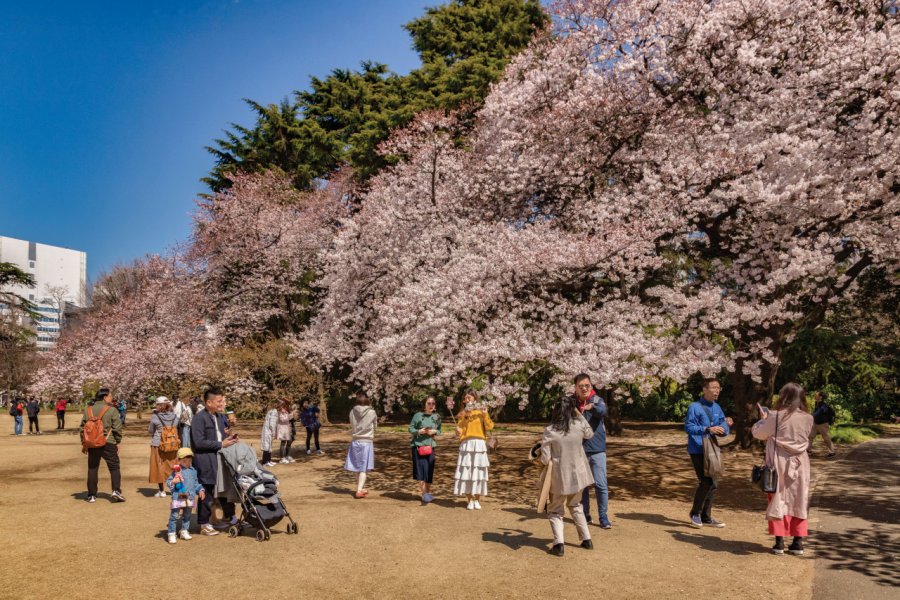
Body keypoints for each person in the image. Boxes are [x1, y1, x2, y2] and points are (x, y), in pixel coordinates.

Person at [752, 383, 815, 556]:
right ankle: (798, 542)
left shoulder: (776, 416)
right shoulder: (808, 418)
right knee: (799, 499)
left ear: (784, 397)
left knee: (777, 498)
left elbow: (759, 434)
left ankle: (779, 542)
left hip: (779, 462)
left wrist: (763, 419)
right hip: (801, 462)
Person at [540, 395, 595, 556]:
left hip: (559, 476)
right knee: (576, 506)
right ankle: (586, 539)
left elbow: (545, 458)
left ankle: (559, 544)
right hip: (578, 474)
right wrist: (579, 414)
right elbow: (590, 434)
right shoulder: (578, 426)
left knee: (556, 510)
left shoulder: (550, 431)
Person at [684, 378, 734, 528]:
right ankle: (695, 513)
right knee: (706, 482)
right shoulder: (694, 407)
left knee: (714, 483)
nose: (717, 390)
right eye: (713, 387)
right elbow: (689, 427)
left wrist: (726, 425)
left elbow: (723, 429)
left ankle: (706, 516)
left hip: (712, 448)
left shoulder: (717, 407)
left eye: (719, 388)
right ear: (704, 389)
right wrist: (706, 429)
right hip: (698, 449)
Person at [191, 387, 239, 536]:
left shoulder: (219, 416)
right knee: (207, 491)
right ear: (209, 402)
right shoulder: (199, 418)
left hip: (221, 459)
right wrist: (220, 444)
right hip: (206, 460)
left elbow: (222, 435)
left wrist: (230, 437)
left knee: (225, 489)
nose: (221, 403)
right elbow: (198, 442)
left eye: (222, 400)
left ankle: (229, 517)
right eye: (219, 401)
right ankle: (204, 524)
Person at [573, 373, 611, 529]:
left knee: (601, 484)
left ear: (591, 386)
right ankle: (586, 514)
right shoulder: (571, 402)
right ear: (575, 387)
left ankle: (603, 516)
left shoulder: (597, 400)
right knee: (583, 486)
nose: (584, 389)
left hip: (597, 449)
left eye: (587, 386)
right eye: (581, 386)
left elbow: (603, 411)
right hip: (579, 449)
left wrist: (591, 407)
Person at [80, 388, 125, 503]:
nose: (112, 398)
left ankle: (91, 495)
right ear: (104, 397)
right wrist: (118, 441)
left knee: (92, 468)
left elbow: (82, 428)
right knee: (114, 467)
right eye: (110, 396)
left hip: (92, 443)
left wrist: (84, 443)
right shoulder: (112, 410)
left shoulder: (88, 410)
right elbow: (117, 428)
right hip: (108, 442)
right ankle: (116, 491)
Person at [453, 389, 494, 510]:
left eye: (469, 398)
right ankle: (470, 499)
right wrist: (458, 431)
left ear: (475, 399)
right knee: (467, 472)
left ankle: (477, 499)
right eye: (465, 398)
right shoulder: (462, 413)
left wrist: (485, 413)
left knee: (479, 472)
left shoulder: (481, 411)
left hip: (480, 444)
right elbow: (460, 430)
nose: (467, 400)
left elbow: (490, 426)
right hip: (466, 444)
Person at [165, 447, 205, 544]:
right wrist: (173, 481)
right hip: (178, 497)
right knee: (174, 515)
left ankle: (184, 531)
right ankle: (171, 533)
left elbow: (196, 483)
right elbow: (168, 482)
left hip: (189, 497)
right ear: (178, 460)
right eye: (184, 461)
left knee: (187, 515)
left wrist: (200, 490)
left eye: (189, 460)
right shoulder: (176, 471)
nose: (187, 463)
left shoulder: (193, 471)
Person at [409, 396, 442, 503]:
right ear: (424, 405)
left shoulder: (437, 417)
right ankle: (424, 493)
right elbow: (410, 428)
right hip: (418, 446)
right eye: (429, 403)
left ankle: (428, 492)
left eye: (433, 403)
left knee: (429, 471)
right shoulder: (418, 416)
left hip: (430, 446)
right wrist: (420, 431)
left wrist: (434, 432)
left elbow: (439, 430)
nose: (431, 405)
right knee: (420, 471)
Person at [344, 392, 377, 498]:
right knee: (363, 468)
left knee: (357, 466)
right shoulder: (372, 412)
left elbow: (351, 424)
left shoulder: (352, 411)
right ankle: (359, 490)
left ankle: (360, 487)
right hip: (366, 441)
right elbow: (375, 426)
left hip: (355, 440)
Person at [148, 397, 180, 497]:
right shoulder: (175, 417)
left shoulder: (155, 417)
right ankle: (176, 489)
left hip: (158, 444)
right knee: (174, 466)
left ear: (159, 405)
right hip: (173, 444)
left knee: (159, 466)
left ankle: (161, 491)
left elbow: (150, 430)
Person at [810, 392, 836, 457]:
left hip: (823, 424)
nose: (815, 395)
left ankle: (832, 452)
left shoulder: (824, 405)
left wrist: (809, 416)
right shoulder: (817, 403)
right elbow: (816, 413)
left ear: (820, 397)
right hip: (816, 423)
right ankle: (808, 450)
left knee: (826, 438)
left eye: (816, 395)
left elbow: (818, 413)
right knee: (810, 436)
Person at [276, 399, 297, 463]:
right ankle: (282, 458)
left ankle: (287, 456)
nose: (286, 406)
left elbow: (289, 418)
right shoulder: (280, 411)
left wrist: (292, 414)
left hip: (287, 428)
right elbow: (283, 420)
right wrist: (290, 415)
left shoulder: (285, 411)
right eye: (285, 405)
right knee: (283, 443)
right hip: (282, 429)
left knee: (289, 442)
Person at [260, 401, 278, 467]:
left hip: (267, 431)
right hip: (268, 431)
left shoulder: (271, 411)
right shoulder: (274, 412)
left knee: (269, 445)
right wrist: (273, 432)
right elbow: (272, 424)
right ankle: (265, 461)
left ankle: (269, 460)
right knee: (267, 446)